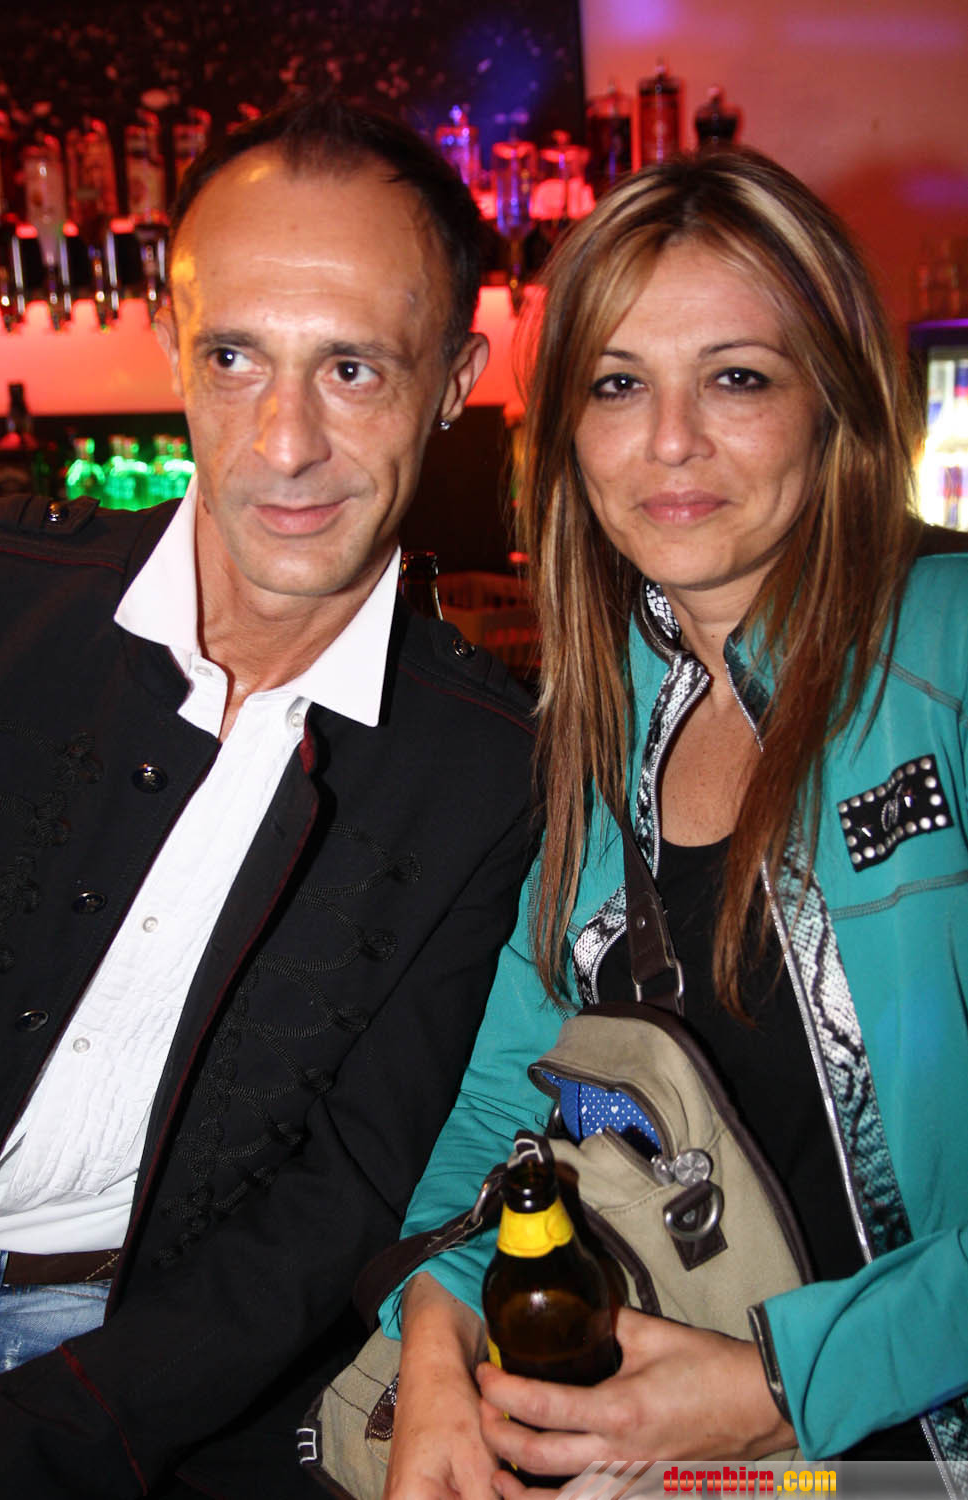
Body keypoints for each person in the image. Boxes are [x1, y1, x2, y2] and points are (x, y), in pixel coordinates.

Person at [0, 96, 538, 1499]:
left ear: (454, 377)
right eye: (235, 358)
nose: (285, 444)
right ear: (174, 349)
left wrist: (35, 1443)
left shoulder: (492, 769)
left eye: (351, 368)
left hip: (120, 1380)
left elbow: (342, 1193)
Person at [379, 147, 968, 1499]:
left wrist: (781, 1387)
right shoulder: (590, 740)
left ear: (836, 400)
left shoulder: (944, 648)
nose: (670, 442)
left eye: (737, 378)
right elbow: (507, 1098)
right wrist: (433, 1333)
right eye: (617, 384)